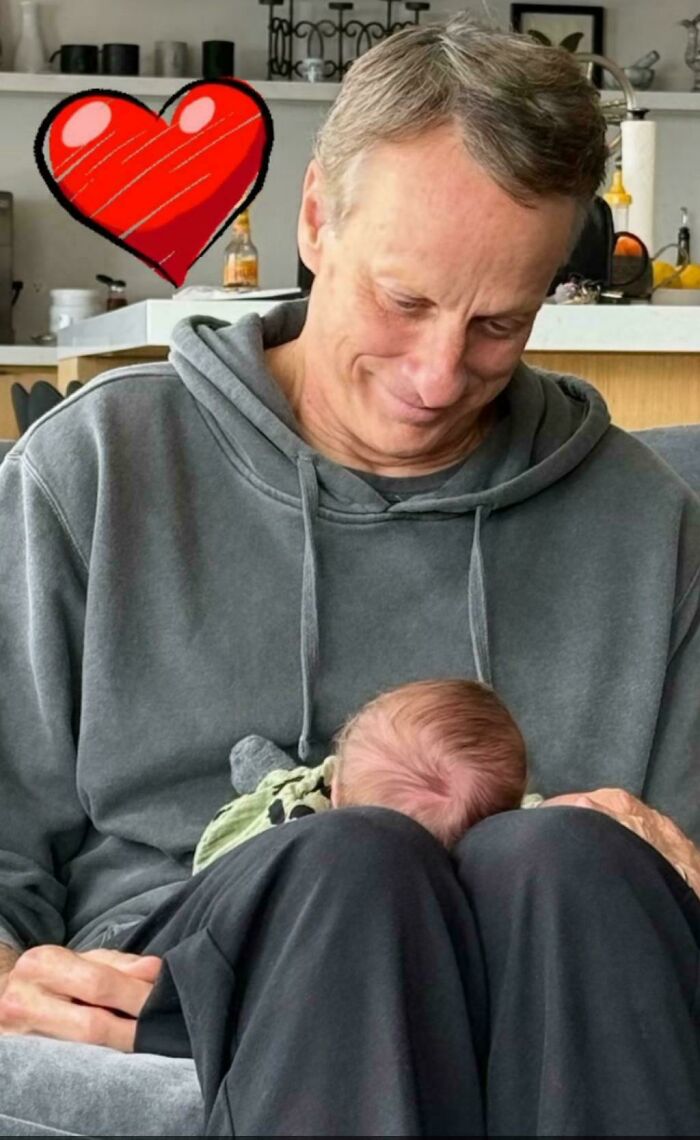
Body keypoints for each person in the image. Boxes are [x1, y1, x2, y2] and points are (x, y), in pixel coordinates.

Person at [0, 11, 699, 1136]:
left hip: (548, 970)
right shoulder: (95, 470)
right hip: (198, 962)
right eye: (405, 301)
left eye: (496, 325)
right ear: (316, 218)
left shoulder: (645, 523)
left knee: (574, 856)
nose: (435, 376)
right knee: (358, 860)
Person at [192, 678, 537, 872]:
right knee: (293, 790)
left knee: (291, 788)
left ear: (339, 793)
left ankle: (279, 777)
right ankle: (278, 776)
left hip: (280, 829)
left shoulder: (316, 859)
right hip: (284, 832)